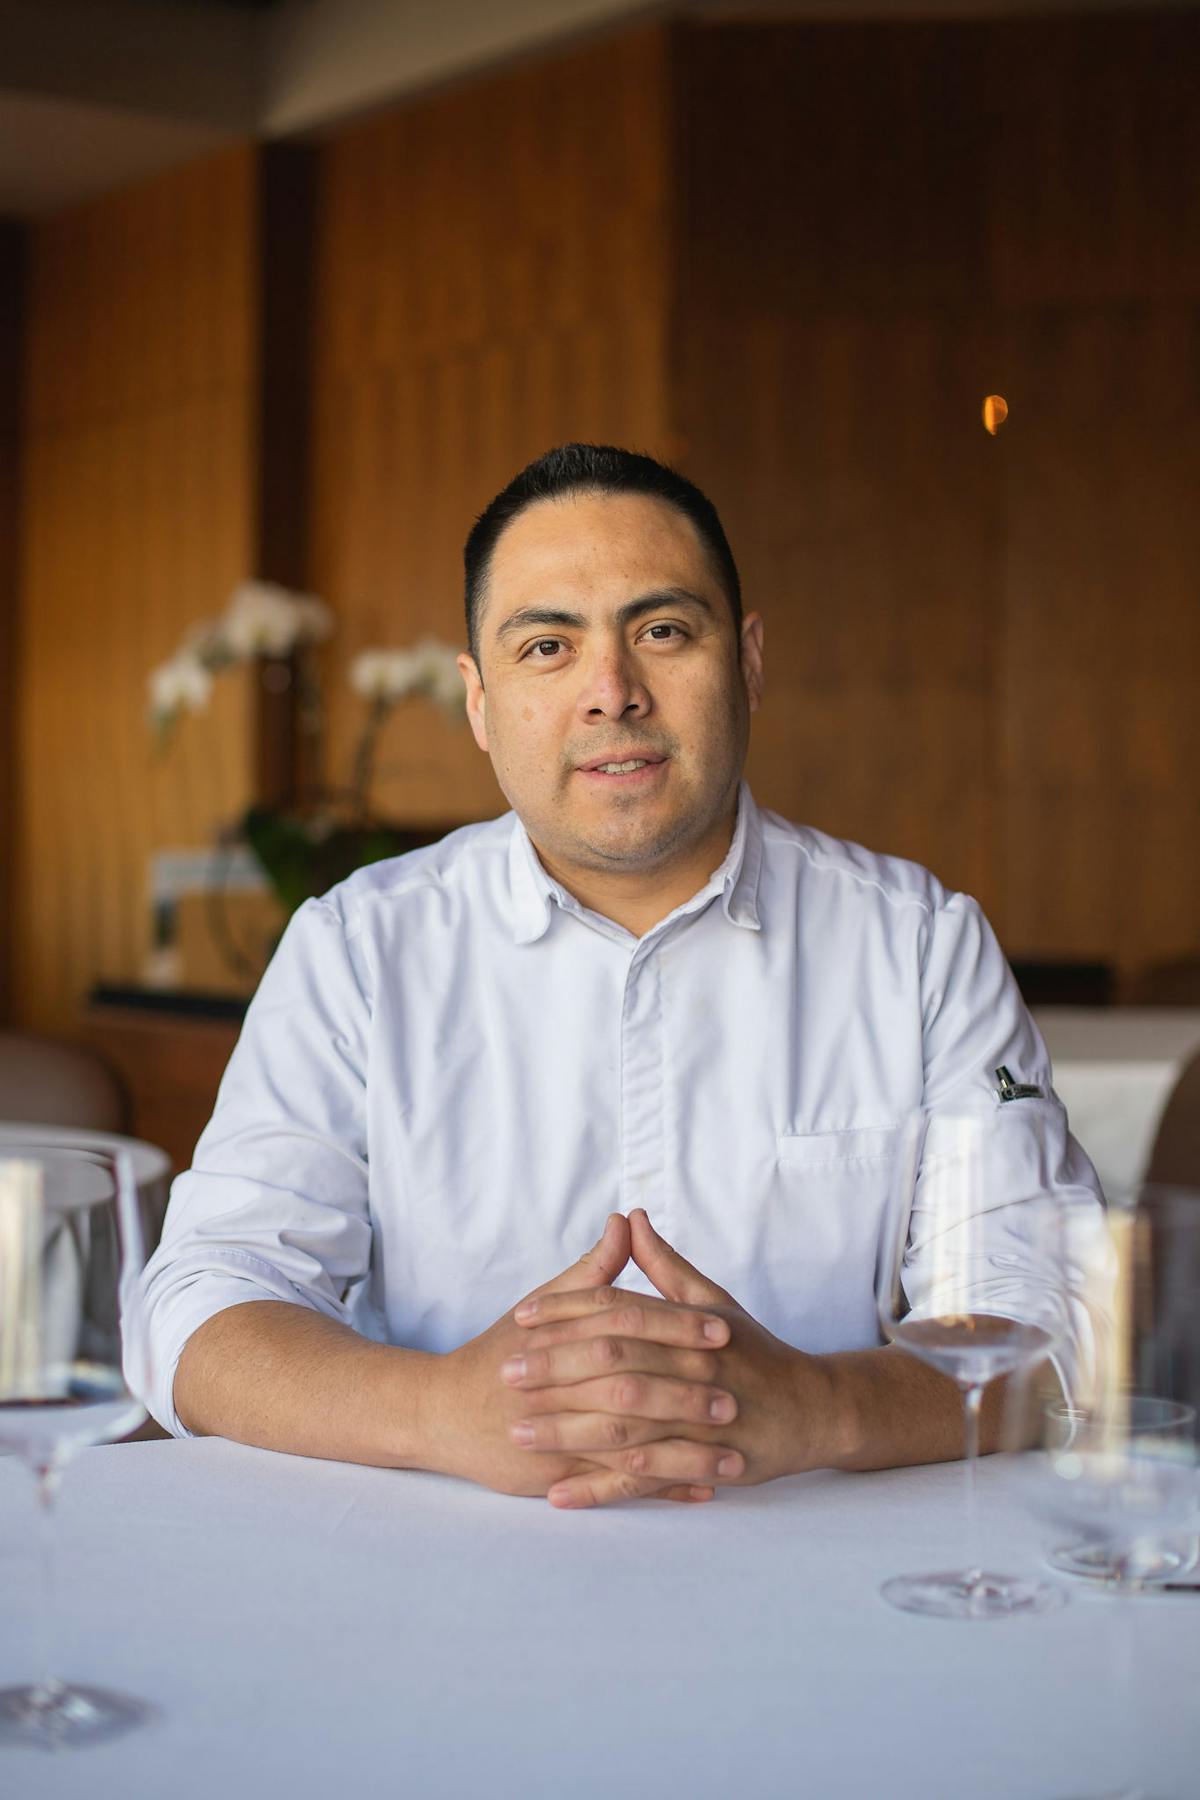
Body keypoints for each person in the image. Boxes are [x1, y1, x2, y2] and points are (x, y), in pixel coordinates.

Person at [131, 443, 1101, 1510]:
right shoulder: (359, 948)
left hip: (825, 1578)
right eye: (547, 646)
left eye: (663, 631)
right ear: (480, 702)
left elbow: (1058, 1327)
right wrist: (439, 1410)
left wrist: (822, 1406)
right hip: (434, 1578)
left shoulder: (920, 944)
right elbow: (200, 1304)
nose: (612, 692)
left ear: (750, 661)